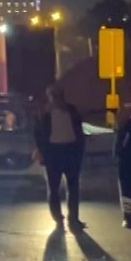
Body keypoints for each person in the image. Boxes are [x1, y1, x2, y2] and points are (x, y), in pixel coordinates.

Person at [32, 85, 86, 229]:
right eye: (53, 96)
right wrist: (42, 151)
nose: (56, 99)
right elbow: (38, 133)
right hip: (53, 152)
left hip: (71, 150)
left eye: (58, 95)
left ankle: (74, 218)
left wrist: (79, 149)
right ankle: (58, 217)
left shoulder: (71, 110)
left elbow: (79, 129)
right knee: (53, 187)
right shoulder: (44, 113)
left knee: (73, 186)